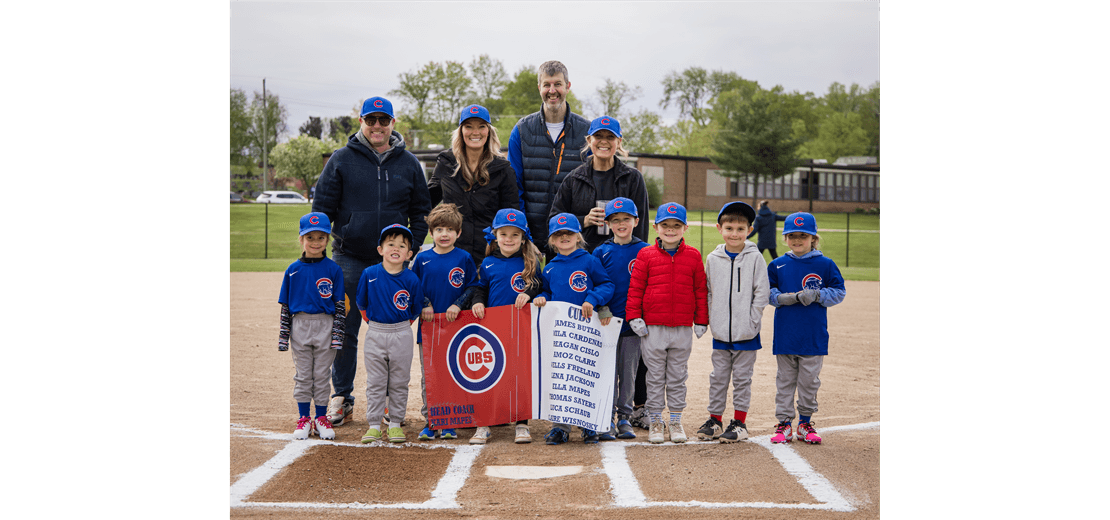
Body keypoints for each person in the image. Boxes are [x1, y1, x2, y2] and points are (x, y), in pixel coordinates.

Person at [312, 96, 432, 429]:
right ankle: (343, 396)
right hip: (350, 258)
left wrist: (410, 248)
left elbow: (421, 212)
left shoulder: (409, 163)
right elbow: (321, 209)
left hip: (393, 263)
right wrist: (321, 254)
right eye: (371, 120)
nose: (377, 126)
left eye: (383, 120)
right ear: (361, 122)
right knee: (346, 329)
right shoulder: (340, 160)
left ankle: (392, 403)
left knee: (394, 332)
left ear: (393, 123)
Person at [625, 203, 709, 444]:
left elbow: (700, 290)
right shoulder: (646, 255)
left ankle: (675, 419)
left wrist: (701, 319)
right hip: (653, 327)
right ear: (656, 227)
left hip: (682, 327)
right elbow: (636, 288)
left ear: (684, 228)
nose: (670, 230)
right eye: (665, 225)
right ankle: (655, 420)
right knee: (654, 376)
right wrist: (634, 316)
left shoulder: (692, 255)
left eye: (676, 226)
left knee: (677, 376)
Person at [533, 213, 615, 445]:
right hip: (561, 334)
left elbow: (606, 284)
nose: (564, 237)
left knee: (585, 376)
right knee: (562, 377)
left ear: (578, 236)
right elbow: (548, 292)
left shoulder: (588, 260)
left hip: (587, 333)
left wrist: (592, 298)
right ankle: (560, 426)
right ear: (551, 240)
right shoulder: (549, 268)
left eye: (569, 233)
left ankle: (588, 424)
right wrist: (541, 297)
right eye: (559, 234)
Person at [767, 212, 846, 445]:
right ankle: (783, 424)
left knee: (809, 382)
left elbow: (839, 292)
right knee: (785, 382)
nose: (797, 240)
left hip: (813, 336)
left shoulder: (825, 264)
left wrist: (819, 294)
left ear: (814, 238)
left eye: (803, 235)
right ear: (785, 238)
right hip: (786, 336)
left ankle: (804, 422)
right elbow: (767, 293)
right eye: (792, 235)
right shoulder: (777, 264)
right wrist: (783, 298)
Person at [467, 208, 545, 444]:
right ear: (495, 235)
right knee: (488, 375)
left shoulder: (529, 262)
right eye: (503, 234)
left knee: (519, 376)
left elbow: (540, 286)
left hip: (520, 330)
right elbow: (480, 288)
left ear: (523, 238)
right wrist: (478, 302)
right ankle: (484, 423)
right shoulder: (488, 263)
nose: (508, 239)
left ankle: (521, 423)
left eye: (514, 235)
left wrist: (529, 294)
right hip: (492, 330)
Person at [696, 201, 769, 443]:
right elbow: (708, 291)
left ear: (749, 229)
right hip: (720, 333)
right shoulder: (713, 258)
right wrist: (710, 320)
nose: (734, 233)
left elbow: (762, 293)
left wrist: (752, 320)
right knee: (717, 377)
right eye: (729, 228)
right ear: (720, 228)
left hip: (746, 333)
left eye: (740, 228)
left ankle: (739, 423)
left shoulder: (755, 257)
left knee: (741, 380)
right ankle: (715, 420)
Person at [507, 60, 590, 257]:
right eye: (547, 85)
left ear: (567, 86)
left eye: (558, 84)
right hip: (529, 238)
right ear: (539, 88)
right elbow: (513, 186)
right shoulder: (521, 130)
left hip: (570, 238)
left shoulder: (586, 132)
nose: (552, 90)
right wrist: (523, 234)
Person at [278, 212, 346, 440]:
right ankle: (304, 418)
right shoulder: (292, 270)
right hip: (300, 326)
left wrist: (337, 336)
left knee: (321, 374)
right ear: (301, 239)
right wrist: (283, 337)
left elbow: (338, 306)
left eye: (321, 237)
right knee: (303, 375)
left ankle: (320, 417)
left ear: (328, 240)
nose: (315, 243)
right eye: (310, 237)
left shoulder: (333, 269)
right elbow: (286, 307)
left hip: (325, 326)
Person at [355, 224, 424, 444]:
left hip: (402, 332)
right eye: (390, 244)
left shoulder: (411, 278)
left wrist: (402, 326)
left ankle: (395, 423)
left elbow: (415, 308)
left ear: (409, 254)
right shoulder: (370, 274)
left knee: (399, 381)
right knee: (375, 381)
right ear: (380, 249)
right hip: (375, 332)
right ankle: (374, 424)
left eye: (402, 246)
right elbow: (361, 303)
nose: (396, 249)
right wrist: (373, 324)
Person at [412, 204, 475, 442]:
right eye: (439, 229)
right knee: (430, 375)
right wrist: (425, 303)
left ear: (458, 233)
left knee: (453, 373)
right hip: (428, 329)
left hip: (456, 327)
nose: (444, 234)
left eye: (450, 229)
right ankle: (431, 421)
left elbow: (472, 285)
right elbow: (413, 286)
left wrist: (458, 303)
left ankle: (450, 420)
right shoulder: (423, 259)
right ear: (431, 232)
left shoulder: (464, 258)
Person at [428, 104, 521, 265]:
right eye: (469, 126)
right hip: (452, 254)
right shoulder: (446, 163)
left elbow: (511, 217)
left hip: (489, 256)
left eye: (481, 126)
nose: (475, 132)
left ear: (489, 131)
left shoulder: (503, 170)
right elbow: (425, 202)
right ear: (461, 131)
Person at [591, 198, 649, 440]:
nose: (621, 224)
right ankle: (605, 416)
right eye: (615, 220)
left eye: (626, 219)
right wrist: (602, 308)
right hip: (607, 323)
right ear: (608, 224)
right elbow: (595, 284)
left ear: (636, 221)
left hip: (633, 324)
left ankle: (625, 416)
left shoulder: (645, 251)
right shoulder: (601, 252)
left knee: (629, 373)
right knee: (607, 372)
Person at [549, 115, 649, 252]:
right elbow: (555, 219)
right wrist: (584, 220)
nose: (604, 141)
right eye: (598, 136)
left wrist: (636, 257)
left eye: (610, 137)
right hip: (583, 257)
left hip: (619, 257)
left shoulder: (633, 178)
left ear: (619, 142)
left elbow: (641, 226)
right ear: (589, 140)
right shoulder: (574, 179)